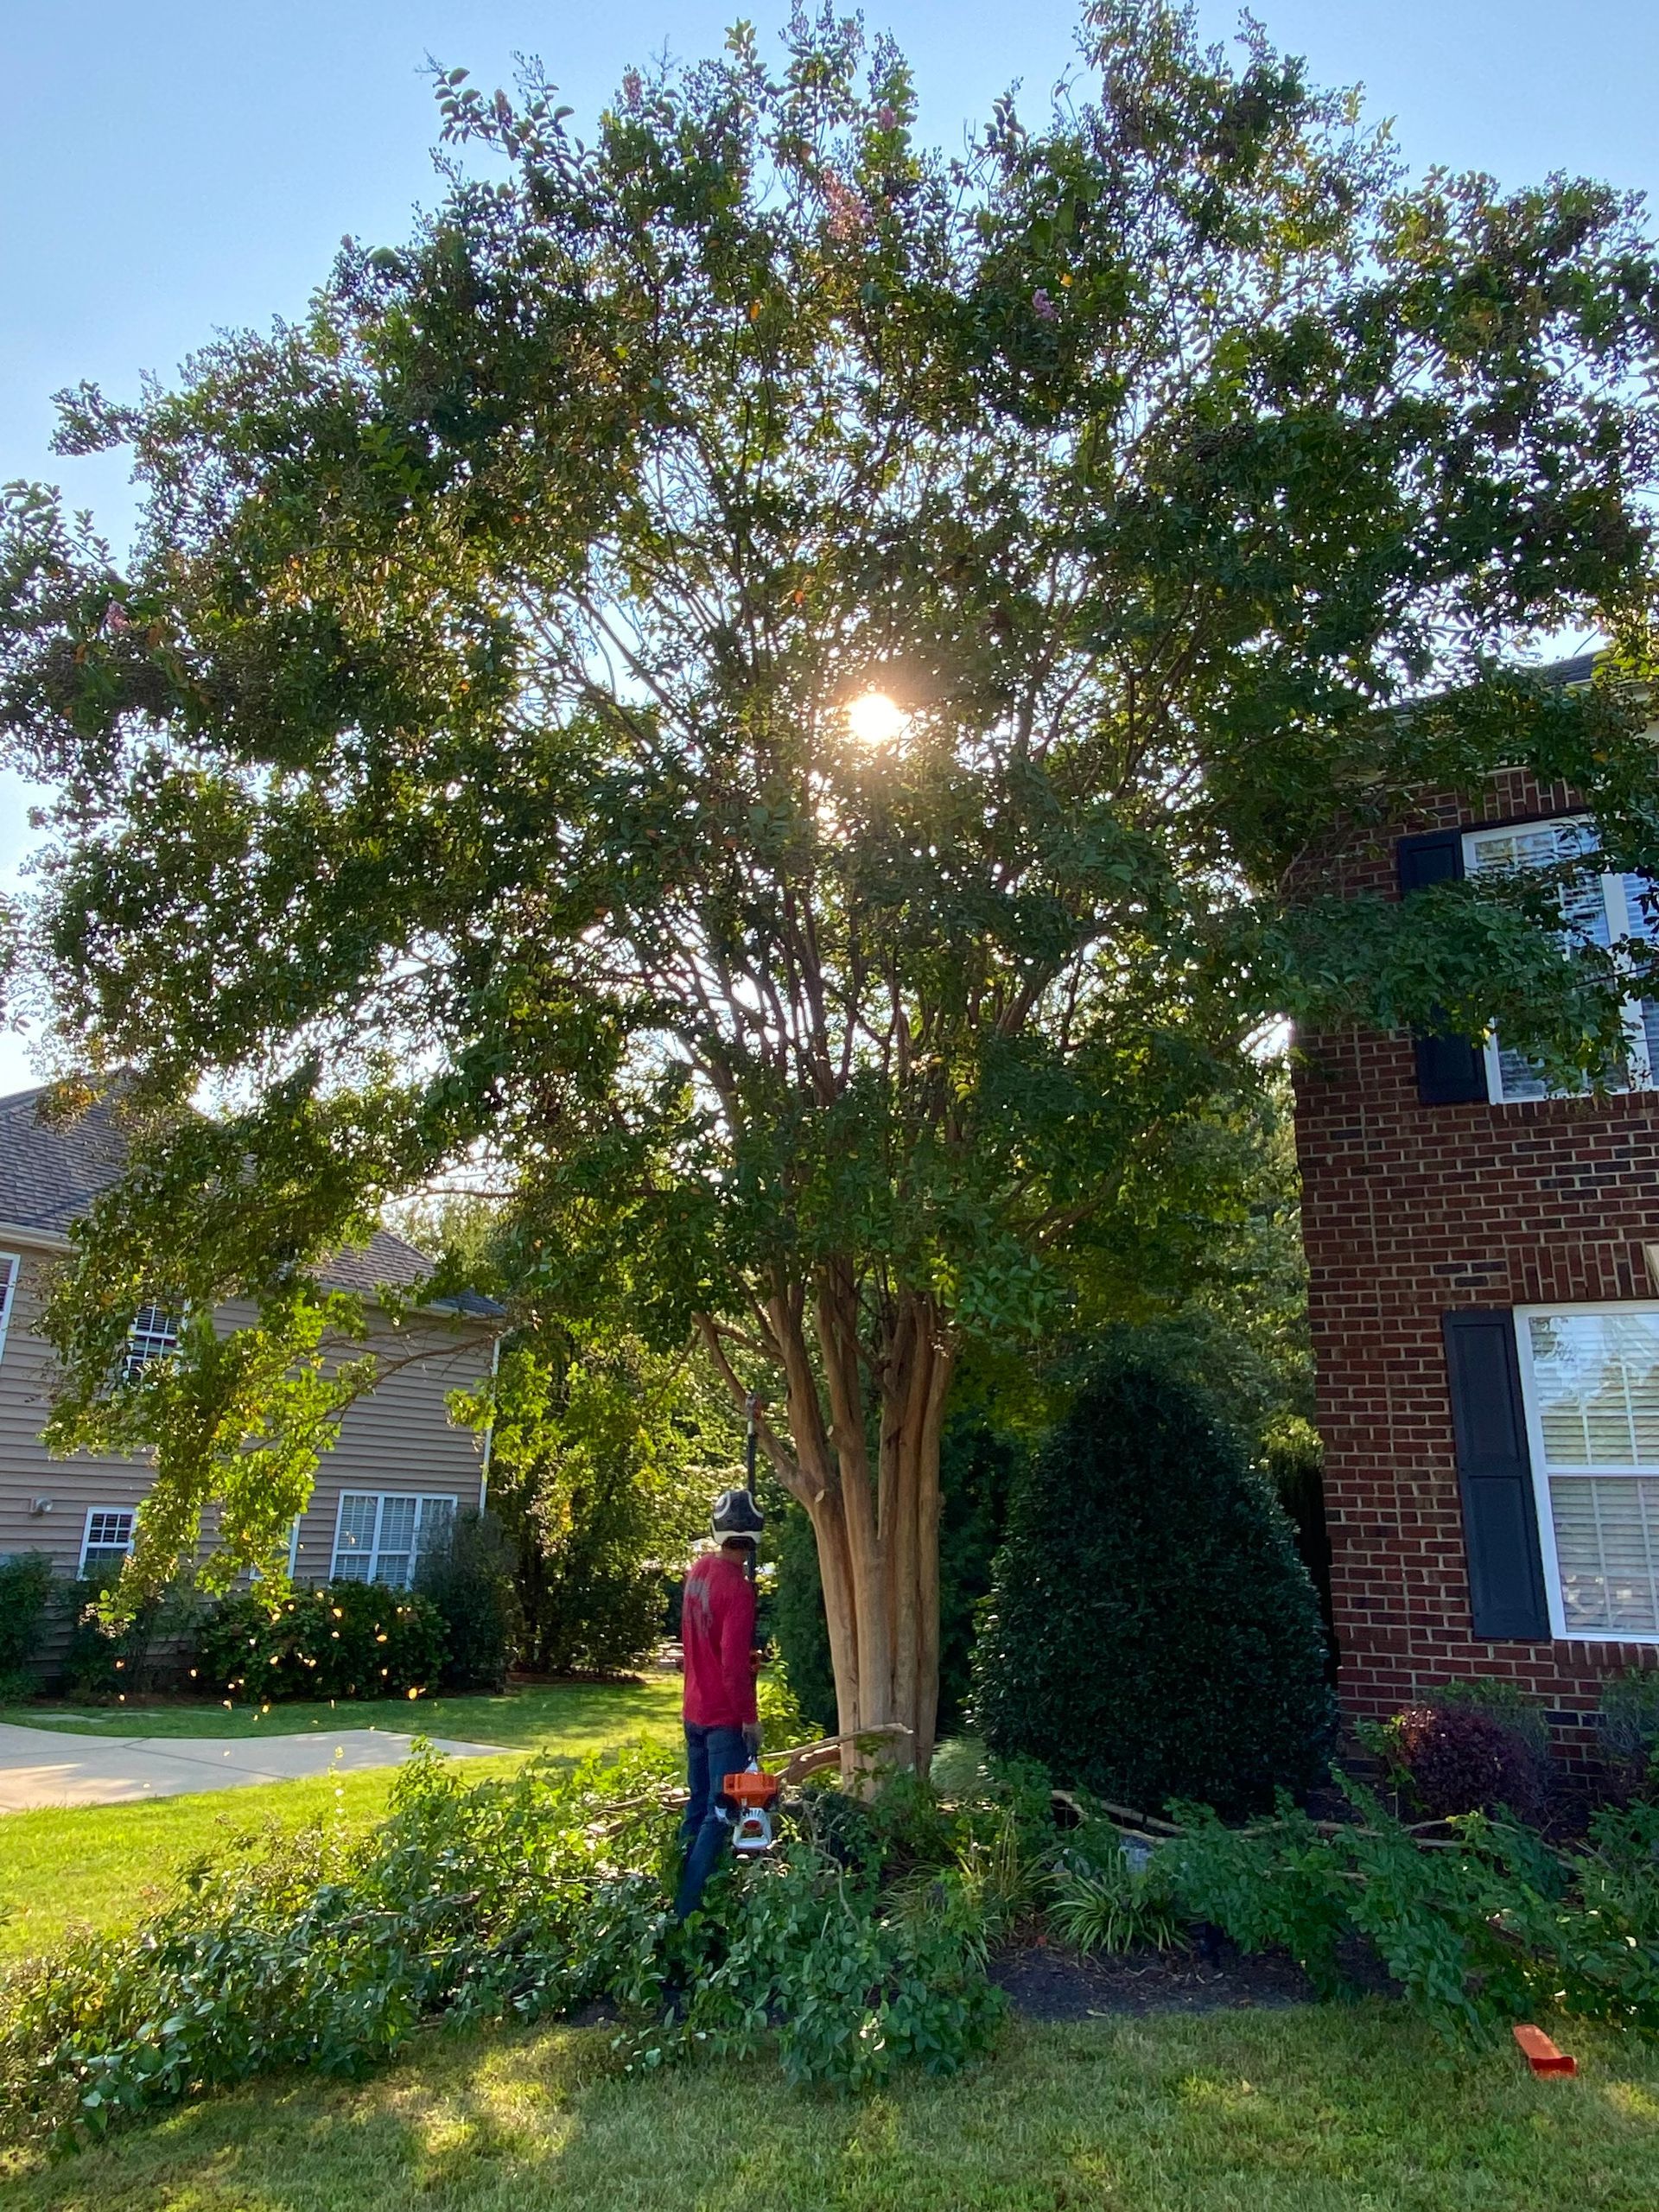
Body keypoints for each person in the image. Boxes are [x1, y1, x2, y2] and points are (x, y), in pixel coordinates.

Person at [674, 1486, 765, 1919]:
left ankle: (674, 1886)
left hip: (692, 1710)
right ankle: (689, 1913)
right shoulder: (739, 1591)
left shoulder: (697, 1571)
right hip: (722, 1720)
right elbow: (731, 1669)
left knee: (696, 1807)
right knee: (719, 1812)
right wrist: (750, 1720)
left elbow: (699, 1642)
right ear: (753, 1540)